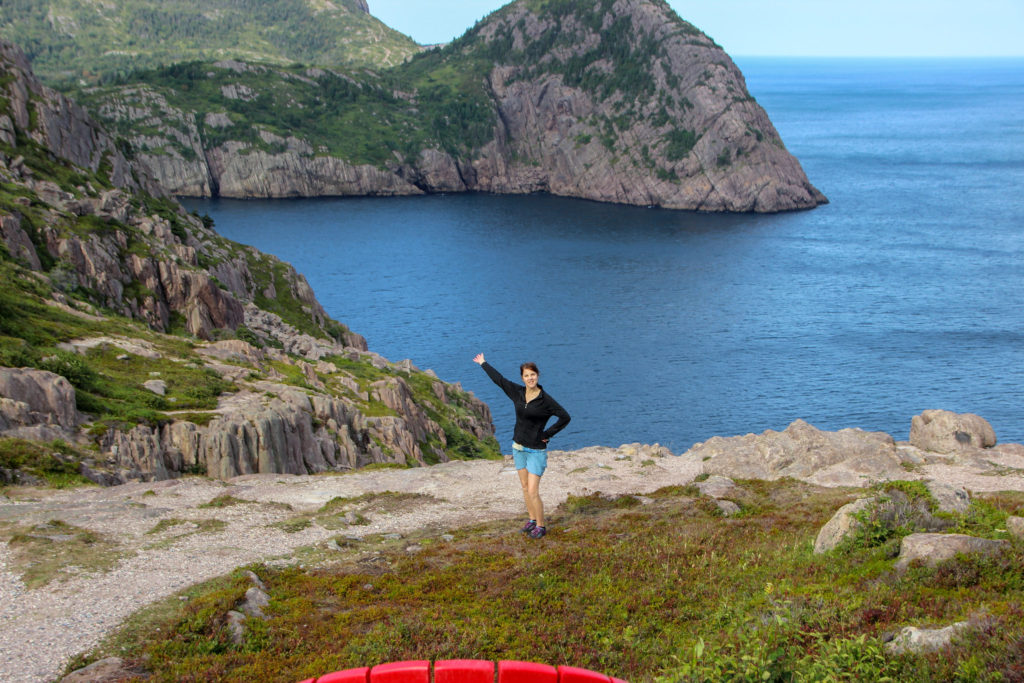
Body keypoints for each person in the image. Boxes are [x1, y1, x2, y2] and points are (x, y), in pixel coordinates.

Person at [473, 353, 571, 539]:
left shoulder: (546, 401)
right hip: (518, 447)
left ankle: (541, 526)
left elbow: (565, 417)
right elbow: (499, 380)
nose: (530, 378)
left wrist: (547, 434)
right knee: (525, 488)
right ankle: (532, 520)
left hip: (536, 450)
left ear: (538, 376)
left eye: (533, 374)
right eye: (526, 375)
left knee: (533, 491)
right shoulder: (517, 393)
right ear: (522, 378)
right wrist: (483, 363)